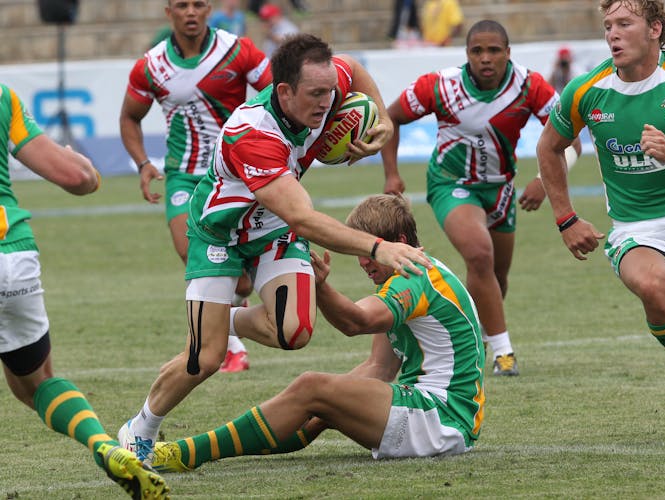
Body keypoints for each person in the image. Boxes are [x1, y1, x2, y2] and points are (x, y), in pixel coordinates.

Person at [119, 33, 432, 465]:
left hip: (273, 229)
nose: (327, 103)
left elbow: (353, 71)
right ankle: (140, 428)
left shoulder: (328, 82)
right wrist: (378, 247)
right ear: (284, 92)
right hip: (220, 233)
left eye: (329, 92)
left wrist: (381, 116)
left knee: (294, 333)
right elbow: (304, 218)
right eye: (316, 94)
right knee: (204, 360)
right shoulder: (253, 133)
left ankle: (223, 320)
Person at [146, 193, 485, 471]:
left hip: (442, 418)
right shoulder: (411, 277)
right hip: (437, 416)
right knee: (318, 400)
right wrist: (322, 399)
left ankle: (184, 453)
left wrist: (320, 287)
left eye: (372, 252)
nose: (365, 262)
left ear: (399, 242)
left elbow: (357, 322)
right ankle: (186, 452)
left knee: (312, 386)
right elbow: (378, 369)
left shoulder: (416, 277)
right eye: (362, 253)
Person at [536, 0, 665, 430]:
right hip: (638, 229)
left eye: (624, 24)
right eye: (608, 25)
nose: (612, 34)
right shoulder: (586, 90)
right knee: (653, 286)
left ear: (655, 28)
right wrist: (566, 218)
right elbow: (548, 147)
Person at [381, 19, 580, 376]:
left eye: (493, 51)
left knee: (495, 276)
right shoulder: (440, 86)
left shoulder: (530, 85)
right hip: (450, 184)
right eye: (477, 51)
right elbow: (390, 118)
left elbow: (572, 141)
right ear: (466, 54)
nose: (485, 58)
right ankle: (503, 354)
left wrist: (542, 180)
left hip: (501, 190)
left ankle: (475, 335)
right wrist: (391, 173)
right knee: (478, 254)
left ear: (508, 53)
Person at [0, 84, 169, 499]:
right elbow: (77, 178)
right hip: (11, 255)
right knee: (35, 383)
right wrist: (84, 166)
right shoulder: (3, 97)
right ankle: (105, 447)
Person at [120, 0, 273, 373]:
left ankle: (233, 317)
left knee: (238, 283)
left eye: (198, 4)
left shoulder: (238, 51)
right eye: (182, 5)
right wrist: (143, 163)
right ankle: (230, 346)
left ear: (209, 9)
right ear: (168, 10)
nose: (191, 12)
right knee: (193, 257)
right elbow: (129, 116)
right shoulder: (151, 66)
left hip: (234, 172)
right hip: (184, 176)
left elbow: (280, 93)